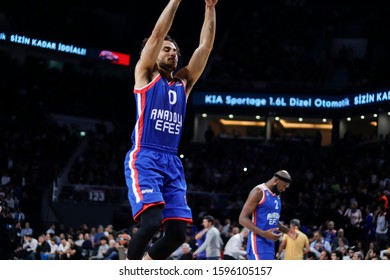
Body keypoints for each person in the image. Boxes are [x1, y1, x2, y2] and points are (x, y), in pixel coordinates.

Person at [124, 0, 218, 260]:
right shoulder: (145, 75)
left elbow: (205, 47)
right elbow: (156, 34)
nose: (173, 53)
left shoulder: (182, 84)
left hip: (171, 160)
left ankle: (148, 263)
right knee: (152, 222)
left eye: (175, 51)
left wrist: (210, 8)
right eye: (166, 49)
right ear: (153, 54)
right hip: (145, 156)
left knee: (177, 234)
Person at [239, 170, 297, 260]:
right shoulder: (259, 191)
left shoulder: (277, 195)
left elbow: (273, 220)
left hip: (270, 244)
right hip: (257, 244)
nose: (284, 189)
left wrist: (287, 231)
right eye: (283, 186)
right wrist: (264, 234)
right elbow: (242, 219)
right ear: (276, 181)